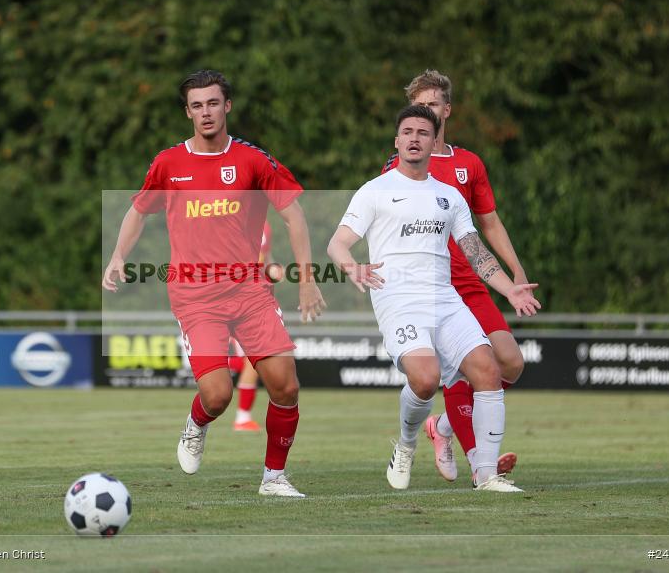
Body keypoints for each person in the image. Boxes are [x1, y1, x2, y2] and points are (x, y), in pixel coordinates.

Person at [102, 70, 325, 497]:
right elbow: (138, 210)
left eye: (213, 103)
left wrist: (307, 280)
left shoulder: (254, 161)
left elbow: (293, 214)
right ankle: (196, 424)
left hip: (250, 293)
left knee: (286, 385)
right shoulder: (169, 163)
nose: (206, 112)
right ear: (187, 112)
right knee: (218, 394)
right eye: (197, 105)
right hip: (195, 297)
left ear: (228, 106)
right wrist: (117, 256)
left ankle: (274, 478)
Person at [328, 105, 540, 492]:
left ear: (433, 140)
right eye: (407, 132)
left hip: (445, 298)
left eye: (422, 133)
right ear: (397, 141)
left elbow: (475, 250)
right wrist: (350, 266)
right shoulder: (375, 191)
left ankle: (487, 474)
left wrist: (509, 287)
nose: (413, 138)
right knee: (424, 381)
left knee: (489, 370)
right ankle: (407, 444)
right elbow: (338, 243)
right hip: (398, 299)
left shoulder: (449, 197)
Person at [381, 70, 533, 483]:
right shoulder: (400, 165)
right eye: (418, 106)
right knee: (457, 371)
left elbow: (490, 223)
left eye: (432, 105)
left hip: (469, 282)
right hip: (429, 288)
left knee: (511, 364)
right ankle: (480, 462)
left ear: (447, 110)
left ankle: (443, 426)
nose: (426, 113)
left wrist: (514, 270)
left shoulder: (469, 165)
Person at [228, 221, 274, 432]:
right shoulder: (231, 219)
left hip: (255, 296)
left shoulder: (264, 225)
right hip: (237, 297)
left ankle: (243, 417)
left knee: (252, 359)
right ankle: (242, 418)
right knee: (251, 359)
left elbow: (265, 257)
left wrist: (272, 271)